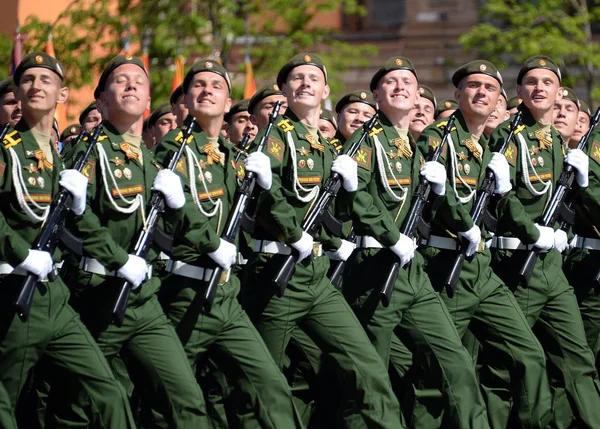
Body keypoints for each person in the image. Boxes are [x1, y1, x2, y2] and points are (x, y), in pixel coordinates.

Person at [243, 53, 402, 428]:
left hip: (316, 273)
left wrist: (348, 200)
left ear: (326, 90)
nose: (305, 83)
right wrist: (295, 233)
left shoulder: (330, 147)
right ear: (283, 90)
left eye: (313, 77)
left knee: (367, 369)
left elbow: (343, 211)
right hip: (279, 272)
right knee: (263, 385)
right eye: (296, 78)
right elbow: (269, 198)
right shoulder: (276, 137)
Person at [337, 55, 490, 429]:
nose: (401, 86)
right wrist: (391, 238)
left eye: (408, 80)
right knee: (371, 379)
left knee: (453, 360)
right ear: (377, 94)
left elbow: (436, 200)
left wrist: (465, 224)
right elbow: (359, 200)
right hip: (376, 267)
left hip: (412, 272)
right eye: (391, 82)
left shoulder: (414, 147)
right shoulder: (366, 141)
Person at [63, 54, 208, 427]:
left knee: (185, 398)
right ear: (101, 100)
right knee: (82, 406)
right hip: (100, 293)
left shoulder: (150, 159)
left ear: (147, 103)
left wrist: (180, 204)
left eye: (139, 82)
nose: (131, 85)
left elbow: (183, 228)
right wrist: (118, 259)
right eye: (120, 80)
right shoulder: (88, 152)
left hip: (144, 300)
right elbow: (81, 223)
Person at [155, 58, 300, 429]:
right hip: (186, 290)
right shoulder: (172, 149)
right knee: (176, 401)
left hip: (226, 294)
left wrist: (268, 186)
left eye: (216, 86)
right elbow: (176, 213)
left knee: (270, 387)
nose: (207, 91)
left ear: (228, 99)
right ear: (186, 97)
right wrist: (209, 243)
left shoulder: (233, 157)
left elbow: (266, 214)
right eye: (198, 85)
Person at [0, 51, 134, 429]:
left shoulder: (61, 157)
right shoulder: (5, 149)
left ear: (63, 95)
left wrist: (119, 260)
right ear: (18, 92)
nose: (35, 86)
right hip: (15, 290)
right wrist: (21, 253)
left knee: (106, 389)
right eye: (27, 80)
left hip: (55, 296)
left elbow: (83, 222)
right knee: (5, 397)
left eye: (46, 80)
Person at [416, 60, 551, 429]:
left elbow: (502, 202)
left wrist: (530, 226)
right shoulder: (437, 138)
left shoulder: (492, 143)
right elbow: (434, 199)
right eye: (473, 86)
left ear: (499, 101)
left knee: (529, 355)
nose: (481, 93)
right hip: (447, 265)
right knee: (439, 371)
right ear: (458, 94)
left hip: (482, 268)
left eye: (490, 88)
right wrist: (462, 224)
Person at [487, 55, 600, 428]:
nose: (539, 88)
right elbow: (505, 199)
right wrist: (533, 232)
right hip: (519, 262)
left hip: (552, 267)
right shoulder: (506, 135)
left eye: (547, 82)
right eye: (531, 82)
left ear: (559, 92)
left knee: (578, 358)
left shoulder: (554, 138)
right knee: (510, 365)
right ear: (519, 92)